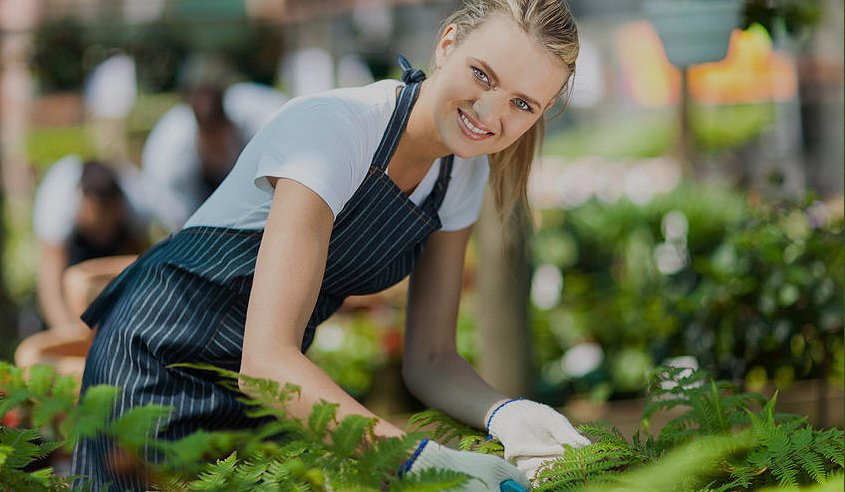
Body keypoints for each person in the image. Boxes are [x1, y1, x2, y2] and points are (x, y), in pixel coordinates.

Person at [71, 1, 588, 489]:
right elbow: (266, 361)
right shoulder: (334, 131)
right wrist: (419, 461)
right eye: (482, 74)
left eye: (522, 104)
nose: (491, 112)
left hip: (263, 398)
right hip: (152, 365)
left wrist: (508, 414)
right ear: (448, 43)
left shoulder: (460, 175)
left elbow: (430, 357)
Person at [140, 55, 288, 231]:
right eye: (212, 147)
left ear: (230, 126)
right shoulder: (168, 160)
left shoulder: (261, 115)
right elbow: (183, 224)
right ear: (199, 137)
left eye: (221, 146)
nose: (218, 154)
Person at [33, 155, 148, 336]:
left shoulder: (137, 203)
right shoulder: (57, 207)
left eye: (107, 223)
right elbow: (50, 287)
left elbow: (138, 270)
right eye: (97, 223)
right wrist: (69, 335)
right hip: (73, 256)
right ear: (83, 206)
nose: (102, 231)